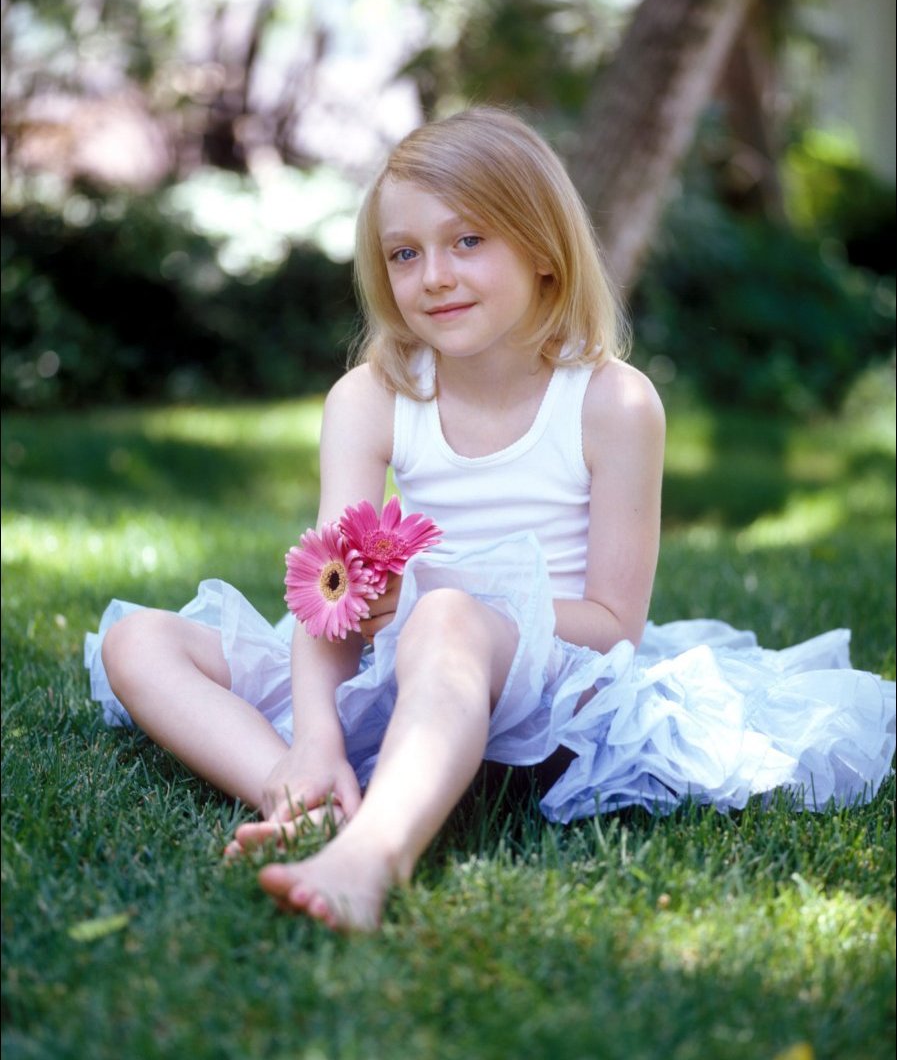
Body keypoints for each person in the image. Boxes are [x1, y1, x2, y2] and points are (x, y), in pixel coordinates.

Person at [85, 106, 896, 932]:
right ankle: (300, 792)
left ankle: (370, 857)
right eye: (405, 253)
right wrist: (316, 732)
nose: (433, 275)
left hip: (555, 681)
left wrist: (441, 593)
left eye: (467, 240)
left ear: (543, 249)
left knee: (445, 617)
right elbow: (331, 596)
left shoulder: (611, 403)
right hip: (398, 665)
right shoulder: (370, 399)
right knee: (138, 640)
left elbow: (614, 625)